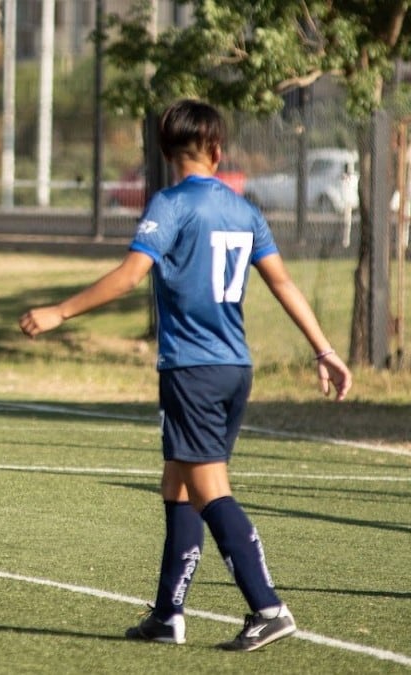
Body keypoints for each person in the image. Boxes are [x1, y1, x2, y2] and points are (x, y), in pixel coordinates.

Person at [18, 99, 352, 652]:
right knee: (177, 481)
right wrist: (324, 350)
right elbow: (284, 284)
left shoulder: (171, 205)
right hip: (233, 366)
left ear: (167, 152)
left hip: (192, 368)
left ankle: (267, 606)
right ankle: (168, 615)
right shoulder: (243, 209)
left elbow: (130, 275)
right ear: (217, 150)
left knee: (207, 487)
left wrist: (59, 312)